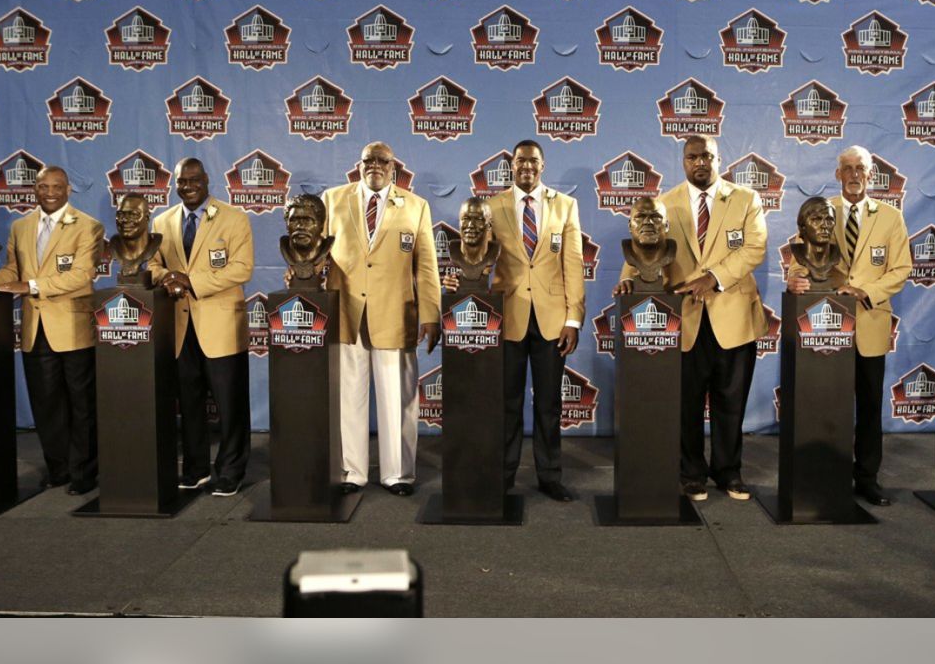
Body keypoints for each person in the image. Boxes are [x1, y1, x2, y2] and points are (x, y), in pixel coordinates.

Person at [615, 134, 766, 503]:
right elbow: (642, 248)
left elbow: (755, 247)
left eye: (707, 157)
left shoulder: (746, 199)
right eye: (692, 157)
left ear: (719, 159)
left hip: (734, 316)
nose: (700, 163)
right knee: (688, 403)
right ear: (683, 161)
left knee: (731, 401)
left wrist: (713, 278)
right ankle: (691, 473)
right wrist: (626, 281)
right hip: (685, 319)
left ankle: (729, 472)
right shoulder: (665, 203)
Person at [446, 140, 584, 502]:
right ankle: (503, 475)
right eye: (520, 161)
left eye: (533, 161)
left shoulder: (565, 206)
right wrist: (457, 281)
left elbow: (573, 265)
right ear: (511, 165)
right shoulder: (492, 206)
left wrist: (574, 319)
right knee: (506, 403)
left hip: (553, 321)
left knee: (549, 404)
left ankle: (550, 475)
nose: (526, 166)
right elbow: (475, 256)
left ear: (543, 165)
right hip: (507, 318)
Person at [787, 145, 910, 507]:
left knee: (869, 406)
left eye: (861, 168)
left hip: (869, 324)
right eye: (847, 168)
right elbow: (800, 259)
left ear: (871, 175)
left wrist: (864, 291)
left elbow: (901, 269)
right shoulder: (821, 213)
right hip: (825, 328)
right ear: (837, 174)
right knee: (826, 403)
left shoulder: (890, 217)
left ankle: (867, 478)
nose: (854, 174)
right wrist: (795, 279)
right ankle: (828, 472)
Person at [323, 142, 440, 497]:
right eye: (368, 160)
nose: (374, 165)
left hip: (396, 312)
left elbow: (427, 265)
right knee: (349, 398)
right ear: (358, 165)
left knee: (398, 400)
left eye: (382, 161)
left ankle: (398, 474)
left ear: (394, 167)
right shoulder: (332, 199)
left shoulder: (416, 206)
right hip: (346, 313)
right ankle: (351, 472)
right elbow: (317, 254)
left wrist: (431, 314)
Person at [0, 166, 104, 495]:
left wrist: (28, 285)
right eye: (43, 186)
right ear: (35, 189)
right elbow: (13, 269)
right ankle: (58, 469)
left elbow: (81, 277)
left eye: (57, 186)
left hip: (73, 326)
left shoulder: (88, 226)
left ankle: (84, 472)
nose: (50, 192)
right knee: (46, 403)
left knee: (81, 404)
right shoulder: (20, 226)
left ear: (69, 190)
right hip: (33, 328)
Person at [149, 157, 254, 497]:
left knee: (230, 404)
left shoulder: (234, 218)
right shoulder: (162, 221)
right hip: (179, 328)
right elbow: (150, 264)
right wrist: (168, 277)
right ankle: (195, 468)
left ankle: (230, 470)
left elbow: (241, 268)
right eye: (182, 181)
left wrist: (191, 280)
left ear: (207, 181)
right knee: (189, 403)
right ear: (175, 184)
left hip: (222, 325)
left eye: (194, 179)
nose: (188, 186)